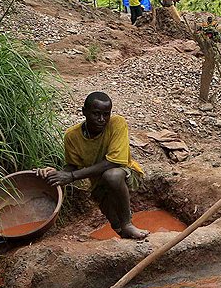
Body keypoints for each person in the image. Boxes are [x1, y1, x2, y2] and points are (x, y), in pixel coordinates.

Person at [37, 92, 148, 240]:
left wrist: (71, 176)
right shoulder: (72, 136)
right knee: (120, 230)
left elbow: (114, 162)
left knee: (112, 176)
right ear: (84, 112)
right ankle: (126, 234)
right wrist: (56, 173)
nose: (102, 119)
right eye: (96, 114)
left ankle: (128, 223)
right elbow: (73, 166)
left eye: (105, 114)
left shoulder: (117, 124)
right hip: (99, 184)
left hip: (126, 175)